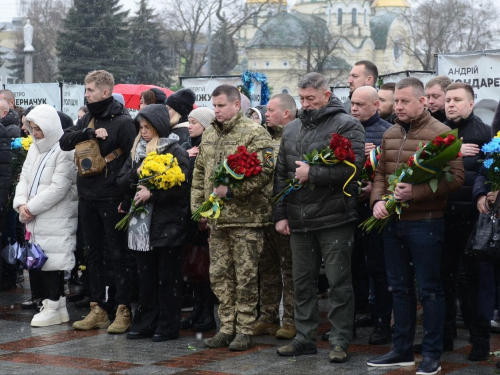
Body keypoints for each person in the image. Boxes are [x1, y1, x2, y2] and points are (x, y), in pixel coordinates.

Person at [367, 77, 464, 375]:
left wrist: (416, 193)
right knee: (399, 288)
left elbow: (455, 179)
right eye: (396, 101)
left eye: (404, 101)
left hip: (426, 223)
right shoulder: (391, 132)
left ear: (422, 102)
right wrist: (377, 201)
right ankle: (402, 350)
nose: (398, 106)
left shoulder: (442, 133)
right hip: (392, 223)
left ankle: (432, 354)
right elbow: (381, 173)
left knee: (430, 291)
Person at [274, 72, 365, 363]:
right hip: (298, 219)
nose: (305, 104)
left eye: (310, 99)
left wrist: (312, 173)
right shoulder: (291, 129)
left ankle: (339, 341)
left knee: (339, 283)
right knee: (301, 283)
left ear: (326, 95)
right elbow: (280, 175)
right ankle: (304, 338)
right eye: (301, 99)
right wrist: (280, 214)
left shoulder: (347, 125)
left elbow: (353, 170)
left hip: (334, 217)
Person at [191, 84, 274, 351]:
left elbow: (264, 172)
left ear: (237, 105)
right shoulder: (210, 134)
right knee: (219, 275)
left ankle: (245, 329)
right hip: (217, 220)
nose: (217, 111)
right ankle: (226, 326)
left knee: (246, 276)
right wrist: (199, 208)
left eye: (221, 106)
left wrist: (232, 191)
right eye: (214, 106)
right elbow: (200, 173)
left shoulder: (254, 132)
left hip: (245, 219)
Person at [60, 70, 137, 334]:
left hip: (112, 198)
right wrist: (88, 135)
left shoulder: (124, 122)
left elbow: (133, 160)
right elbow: (64, 141)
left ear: (105, 92)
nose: (86, 94)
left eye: (90, 90)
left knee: (118, 255)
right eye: (85, 89)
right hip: (88, 196)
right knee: (92, 253)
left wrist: (127, 197)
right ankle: (99, 307)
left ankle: (123, 308)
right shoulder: (88, 118)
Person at [117, 104, 189, 342]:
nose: (144, 132)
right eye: (141, 127)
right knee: (146, 278)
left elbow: (182, 189)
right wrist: (137, 175)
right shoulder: (136, 151)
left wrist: (154, 195)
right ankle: (146, 321)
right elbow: (122, 182)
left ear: (159, 126)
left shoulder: (175, 150)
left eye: (148, 127)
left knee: (167, 279)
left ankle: (168, 325)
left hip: (166, 226)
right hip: (141, 227)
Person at [13, 104, 78, 327]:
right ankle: (55, 306)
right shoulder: (35, 149)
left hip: (55, 215)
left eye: (38, 128)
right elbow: (24, 178)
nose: (35, 133)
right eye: (32, 128)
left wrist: (30, 207)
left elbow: (59, 188)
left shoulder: (65, 150)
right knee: (41, 260)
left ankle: (53, 305)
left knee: (54, 262)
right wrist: (21, 203)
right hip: (37, 216)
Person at [350, 86, 392, 345]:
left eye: (360, 105)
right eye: (352, 103)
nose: (354, 109)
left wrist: (374, 189)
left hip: (376, 211)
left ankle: (381, 323)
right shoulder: (344, 129)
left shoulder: (388, 131)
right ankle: (351, 320)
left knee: (379, 268)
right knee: (352, 267)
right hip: (349, 209)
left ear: (375, 105)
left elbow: (394, 169)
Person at [253, 93, 296, 340]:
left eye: (270, 110)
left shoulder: (296, 137)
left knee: (290, 270)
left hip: (286, 216)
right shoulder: (264, 139)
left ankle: (291, 320)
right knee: (266, 269)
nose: (265, 114)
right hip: (264, 215)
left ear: (286, 113)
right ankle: (267, 317)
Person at [180, 107, 216, 332]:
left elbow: (206, 182)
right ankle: (197, 310)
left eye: (194, 122)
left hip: (203, 215)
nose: (189, 126)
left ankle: (208, 313)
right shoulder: (187, 147)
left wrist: (203, 213)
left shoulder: (209, 146)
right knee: (194, 266)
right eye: (188, 121)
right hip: (188, 214)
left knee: (205, 267)